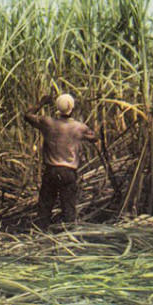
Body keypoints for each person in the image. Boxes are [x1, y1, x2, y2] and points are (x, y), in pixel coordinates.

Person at [24, 93, 97, 227]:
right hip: (68, 173)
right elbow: (94, 138)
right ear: (72, 108)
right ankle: (68, 238)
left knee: (45, 207)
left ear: (57, 107)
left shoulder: (47, 123)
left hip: (51, 171)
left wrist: (42, 103)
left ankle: (42, 235)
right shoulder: (79, 127)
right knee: (69, 208)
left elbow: (27, 116)